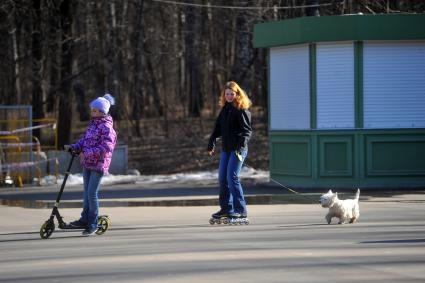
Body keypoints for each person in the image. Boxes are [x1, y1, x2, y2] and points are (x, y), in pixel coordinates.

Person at [64, 94, 117, 236]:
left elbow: (106, 148)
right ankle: (84, 219)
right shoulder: (93, 125)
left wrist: (88, 153)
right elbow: (85, 141)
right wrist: (74, 146)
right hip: (87, 164)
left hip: (98, 165)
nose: (91, 112)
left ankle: (92, 224)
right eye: (92, 110)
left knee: (92, 194)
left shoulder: (107, 127)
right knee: (86, 194)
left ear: (102, 112)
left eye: (94, 110)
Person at [207, 81, 252, 222]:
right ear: (224, 95)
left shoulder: (241, 110)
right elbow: (217, 128)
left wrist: (240, 147)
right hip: (226, 149)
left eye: (232, 94)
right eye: (227, 94)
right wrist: (211, 142)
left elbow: (247, 131)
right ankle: (227, 208)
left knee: (232, 178)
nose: (229, 96)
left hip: (238, 150)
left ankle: (240, 210)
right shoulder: (225, 109)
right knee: (222, 179)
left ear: (237, 94)